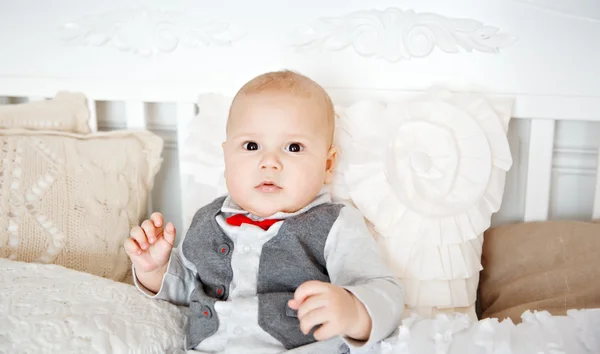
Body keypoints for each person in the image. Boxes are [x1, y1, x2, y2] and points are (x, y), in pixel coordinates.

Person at [124, 70, 404, 353]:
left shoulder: (334, 224)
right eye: (251, 146)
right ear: (226, 158)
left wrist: (353, 309)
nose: (269, 161)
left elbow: (384, 291)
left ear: (328, 165)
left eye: (294, 147)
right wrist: (157, 270)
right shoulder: (207, 220)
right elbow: (189, 289)